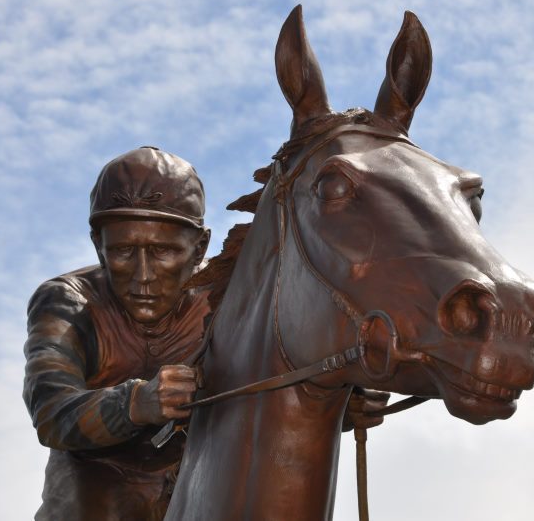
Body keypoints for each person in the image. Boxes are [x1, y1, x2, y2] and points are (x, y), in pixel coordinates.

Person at [23, 146, 388, 520]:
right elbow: (52, 412)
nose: (143, 274)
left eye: (163, 251)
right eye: (122, 252)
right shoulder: (68, 302)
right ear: (97, 245)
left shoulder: (226, 304)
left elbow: (270, 397)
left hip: (200, 499)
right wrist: (136, 403)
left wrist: (343, 405)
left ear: (200, 248)